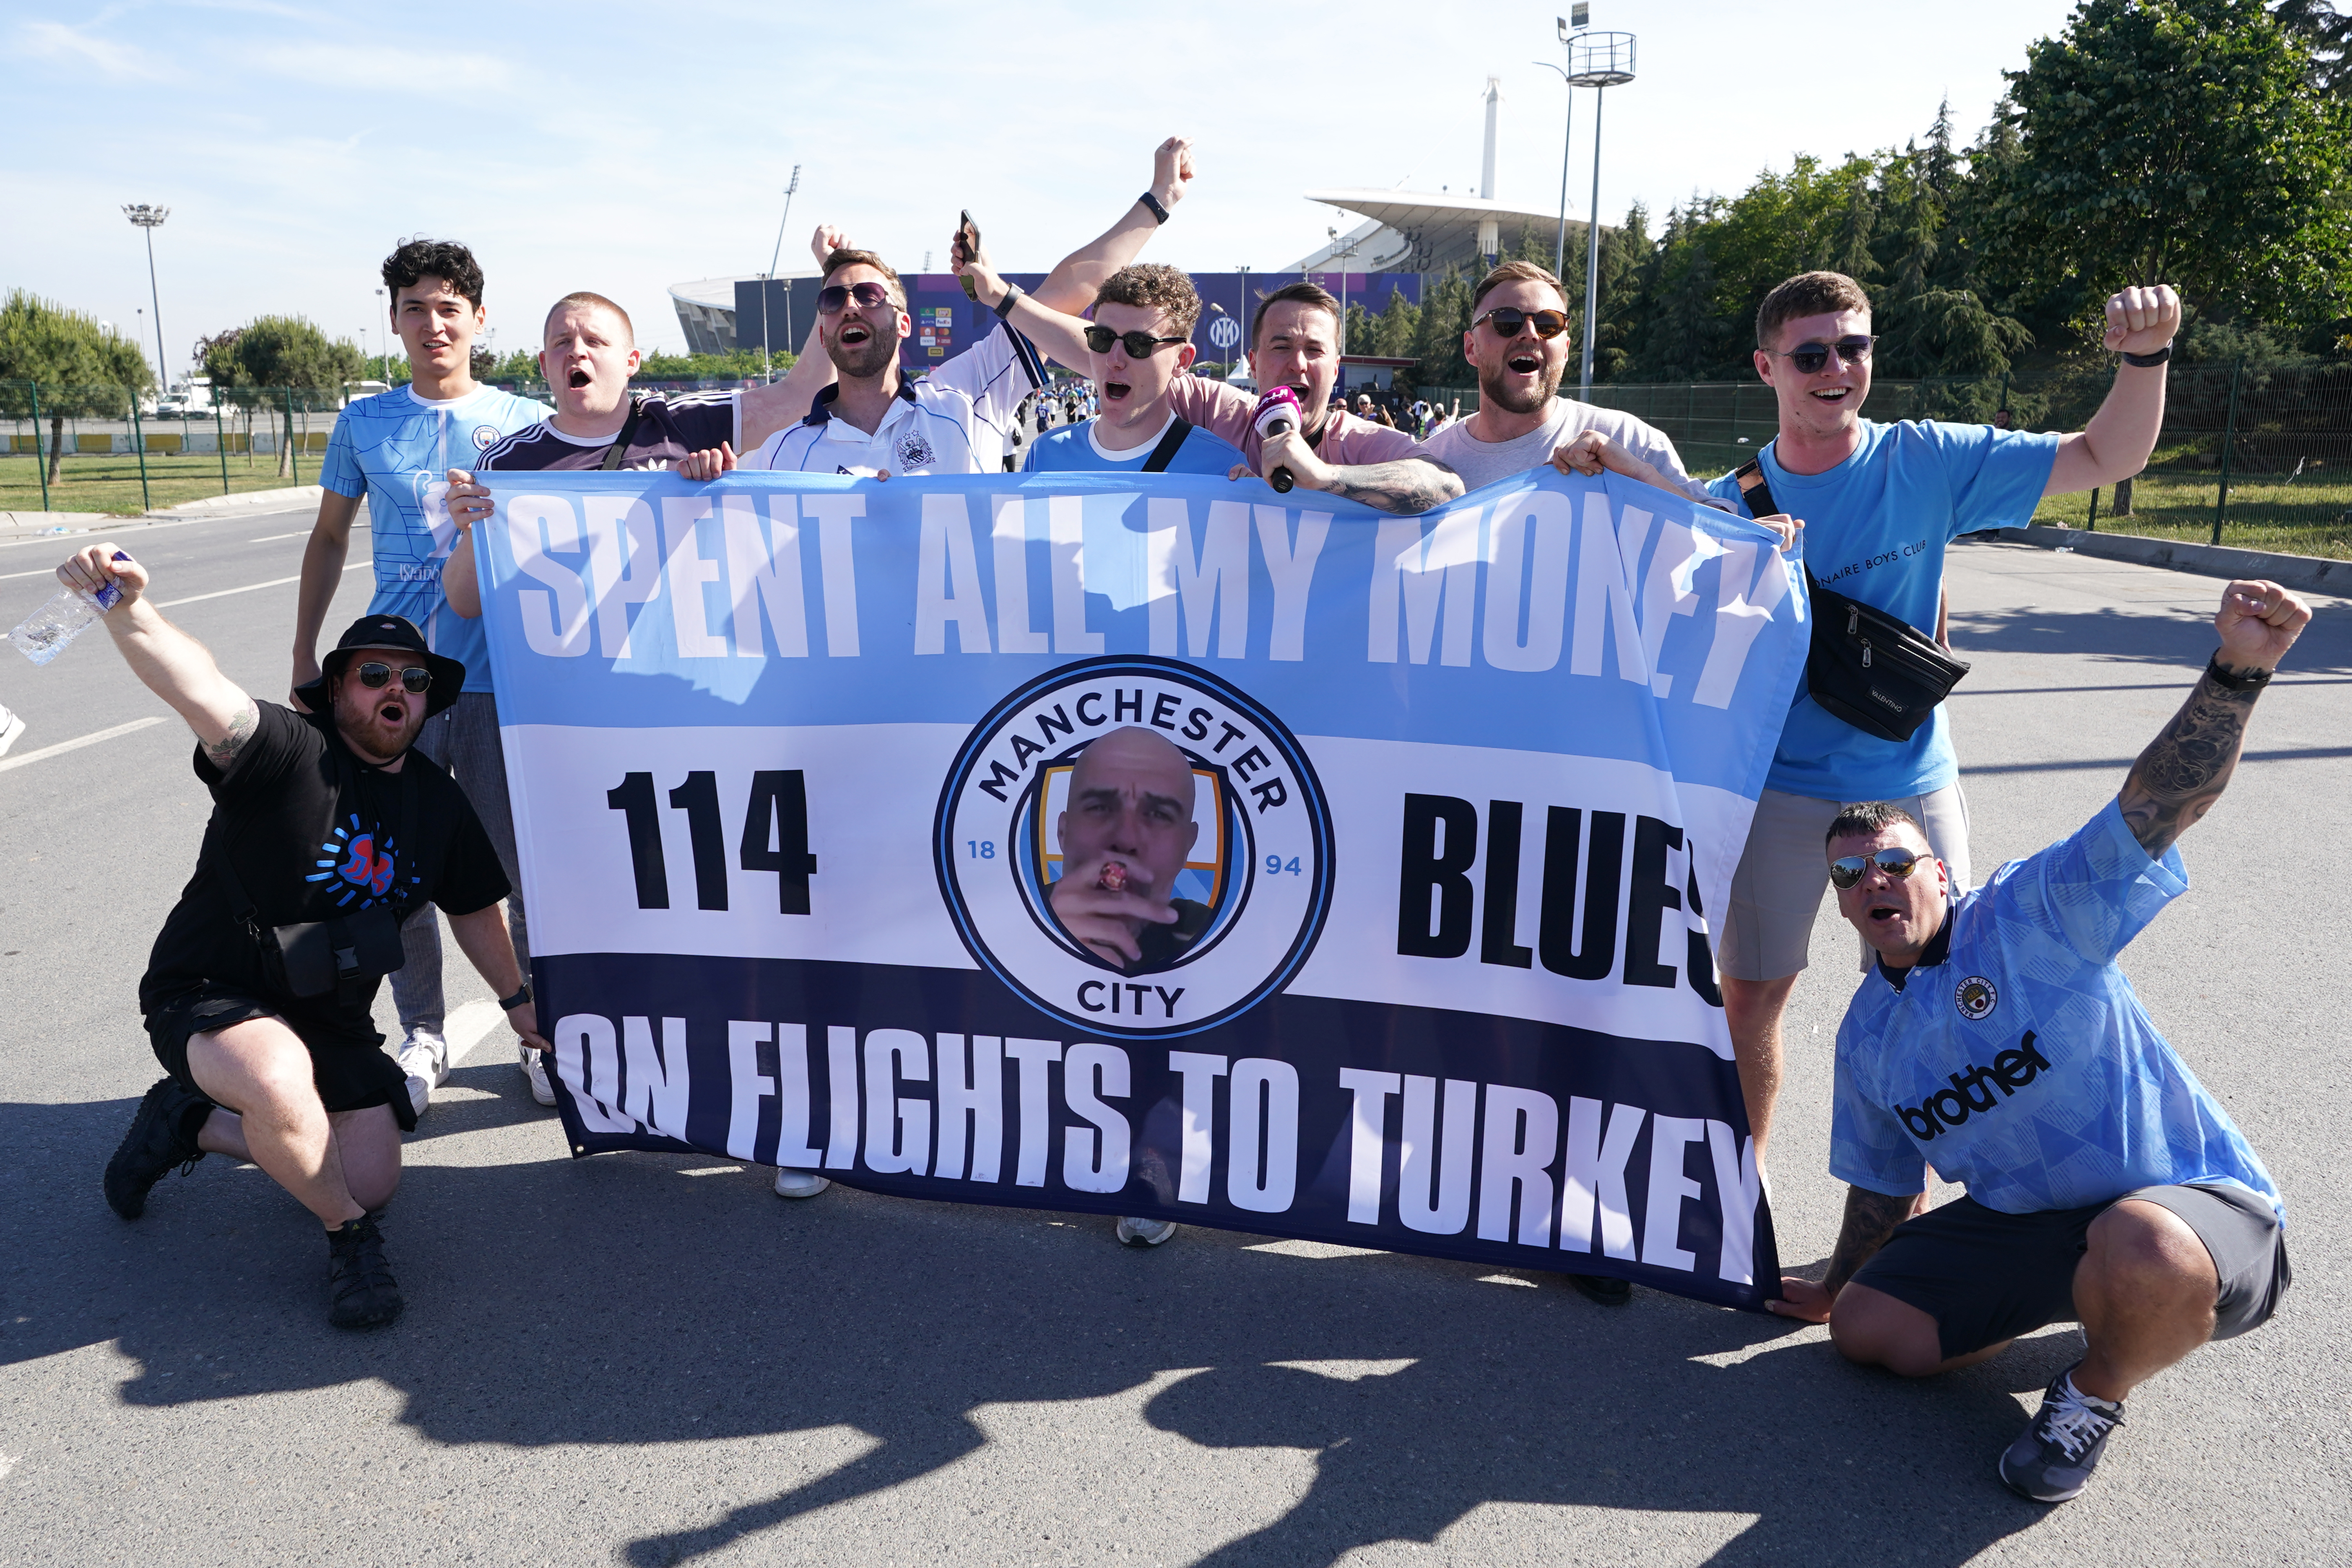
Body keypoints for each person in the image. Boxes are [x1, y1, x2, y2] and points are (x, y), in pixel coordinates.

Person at [1769, 579, 2307, 1502]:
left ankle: (2096, 1385)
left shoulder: (2035, 912)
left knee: (2142, 1248)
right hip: (2037, 1225)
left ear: (1937, 873)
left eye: (1893, 862)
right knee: (1868, 1331)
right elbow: (1884, 1184)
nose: (1871, 881)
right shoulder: (1869, 1036)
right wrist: (1838, 1281)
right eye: (1849, 876)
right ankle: (2086, 1295)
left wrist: (2237, 671)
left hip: (2191, 1209)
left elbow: (2157, 805)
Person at [1707, 270, 2182, 1163]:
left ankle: (1904, 1221)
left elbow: (2102, 457)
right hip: (1775, 792)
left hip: (1906, 784)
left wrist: (2146, 358)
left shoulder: (1922, 457)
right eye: (1811, 353)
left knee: (1936, 996)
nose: (1836, 367)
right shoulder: (1726, 504)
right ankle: (1741, 1189)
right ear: (1766, 367)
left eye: (1855, 346)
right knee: (1751, 998)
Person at [74, 543, 546, 1331]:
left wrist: (517, 999)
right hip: (213, 988)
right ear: (336, 689)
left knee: (371, 1174)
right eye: (375, 674)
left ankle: (185, 1121)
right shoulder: (287, 753)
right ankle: (349, 1242)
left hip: (330, 1009)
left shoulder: (438, 803)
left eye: (415, 679)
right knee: (283, 1086)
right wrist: (130, 609)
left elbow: (471, 909)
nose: (397, 688)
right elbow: (198, 688)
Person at [290, 240, 547, 1120]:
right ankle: (423, 1033)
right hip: (390, 683)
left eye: (448, 306)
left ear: (478, 318)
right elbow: (328, 541)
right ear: (393, 318)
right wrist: (303, 655)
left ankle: (536, 1034)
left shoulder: (524, 421)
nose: (432, 322)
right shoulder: (365, 422)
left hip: (492, 676)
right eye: (413, 306)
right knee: (391, 867)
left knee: (512, 867)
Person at [748, 138, 1199, 478]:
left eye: (869, 296)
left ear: (905, 323)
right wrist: (697, 476)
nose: (850, 306)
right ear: (822, 332)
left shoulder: (966, 393)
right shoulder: (783, 454)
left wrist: (1160, 199)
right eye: (834, 299)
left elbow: (1071, 287)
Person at [1004, 278, 1463, 515]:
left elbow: (1446, 487)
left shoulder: (1360, 441)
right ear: (1254, 362)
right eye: (1281, 347)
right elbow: (1113, 357)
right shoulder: (1223, 412)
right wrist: (1002, 299)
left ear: (1336, 368)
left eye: (1314, 351)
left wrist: (1325, 479)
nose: (1297, 364)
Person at [1044, 726, 1209, 1250]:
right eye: (1100, 807)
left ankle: (1149, 1165)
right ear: (1063, 831)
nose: (1127, 839)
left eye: (1158, 815)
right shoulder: (1007, 923)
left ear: (1189, 843)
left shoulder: (1209, 938)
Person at [1417, 261, 1719, 503]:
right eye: (1506, 321)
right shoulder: (1424, 467)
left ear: (1565, 350)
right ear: (1471, 348)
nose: (1531, 334)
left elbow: (1730, 545)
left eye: (1549, 324)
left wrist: (1641, 479)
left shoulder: (1629, 442)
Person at [1022, 265, 1244, 476]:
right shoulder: (1045, 456)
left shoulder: (1222, 471)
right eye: (1102, 339)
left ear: (1182, 360)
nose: (1114, 360)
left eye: (1139, 344)